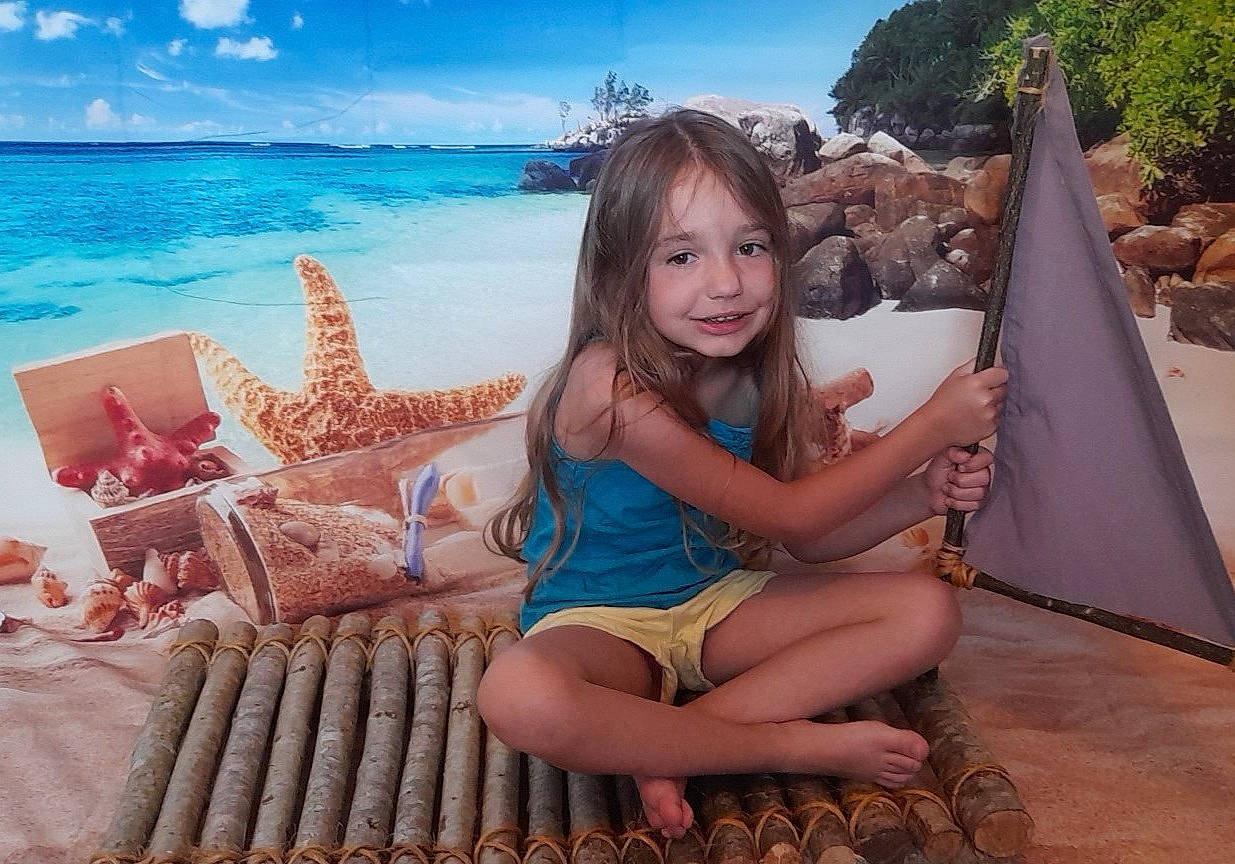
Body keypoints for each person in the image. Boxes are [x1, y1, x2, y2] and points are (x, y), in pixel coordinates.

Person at [478, 108, 1007, 840]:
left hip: (718, 605)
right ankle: (780, 745)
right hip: (600, 626)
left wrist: (922, 494)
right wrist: (930, 426)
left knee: (928, 611)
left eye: (750, 247)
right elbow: (789, 516)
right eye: (681, 257)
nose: (725, 283)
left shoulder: (753, 375)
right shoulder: (608, 387)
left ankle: (672, 745)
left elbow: (811, 542)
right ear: (618, 273)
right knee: (517, 693)